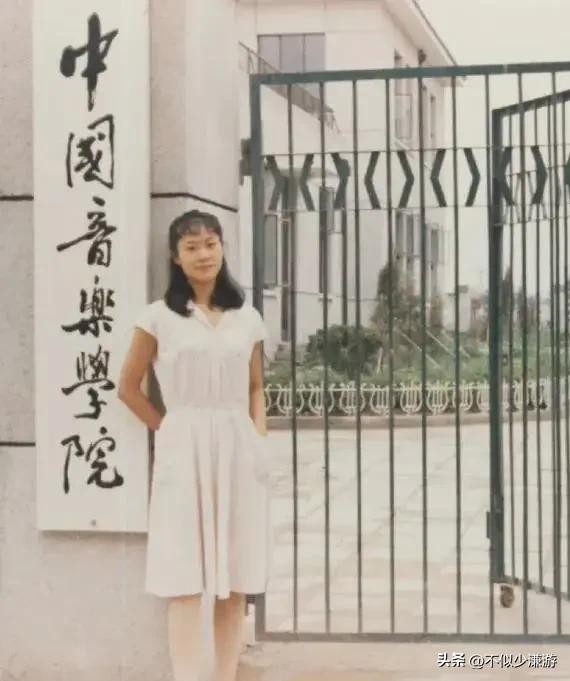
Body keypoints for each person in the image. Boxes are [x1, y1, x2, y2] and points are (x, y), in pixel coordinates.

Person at [118, 209, 272, 681]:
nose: (203, 254)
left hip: (237, 447)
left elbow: (255, 387)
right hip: (183, 447)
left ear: (222, 247)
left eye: (210, 244)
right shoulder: (157, 317)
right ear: (175, 257)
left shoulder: (247, 318)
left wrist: (257, 439)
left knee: (235, 578)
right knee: (183, 577)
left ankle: (225, 675)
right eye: (191, 247)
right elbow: (128, 388)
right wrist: (167, 428)